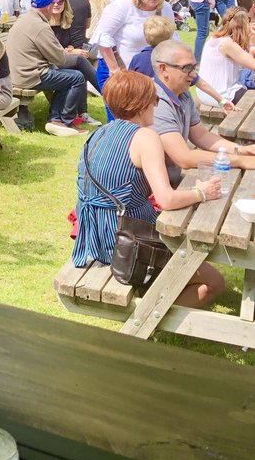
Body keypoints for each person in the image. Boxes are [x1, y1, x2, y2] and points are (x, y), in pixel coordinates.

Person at [71, 71, 225, 309]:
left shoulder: (98, 134)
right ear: (141, 105)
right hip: (129, 243)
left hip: (95, 238)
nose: (156, 104)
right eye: (154, 99)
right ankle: (146, 318)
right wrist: (202, 192)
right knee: (214, 282)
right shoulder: (145, 137)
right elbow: (166, 199)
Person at [150, 40, 255, 185]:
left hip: (168, 184)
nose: (193, 74)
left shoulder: (182, 92)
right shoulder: (156, 101)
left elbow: (201, 135)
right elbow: (184, 157)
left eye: (194, 67)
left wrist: (241, 150)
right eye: (187, 68)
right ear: (163, 69)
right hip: (151, 196)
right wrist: (240, 160)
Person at [92, 0, 174, 110]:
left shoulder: (165, 8)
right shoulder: (122, 6)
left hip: (150, 74)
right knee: (122, 121)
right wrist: (116, 71)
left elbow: (172, 39)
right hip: (117, 70)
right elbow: (102, 37)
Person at [7, 0, 87, 136]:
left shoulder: (24, 19)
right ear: (48, 7)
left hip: (17, 73)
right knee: (77, 77)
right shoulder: (41, 26)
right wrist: (69, 52)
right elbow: (60, 59)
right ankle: (65, 122)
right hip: (30, 76)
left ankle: (55, 120)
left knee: (67, 78)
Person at [199, 8, 255, 105]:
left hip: (206, 93)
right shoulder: (228, 44)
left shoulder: (213, 39)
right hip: (222, 95)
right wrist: (252, 42)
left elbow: (247, 55)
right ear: (243, 26)